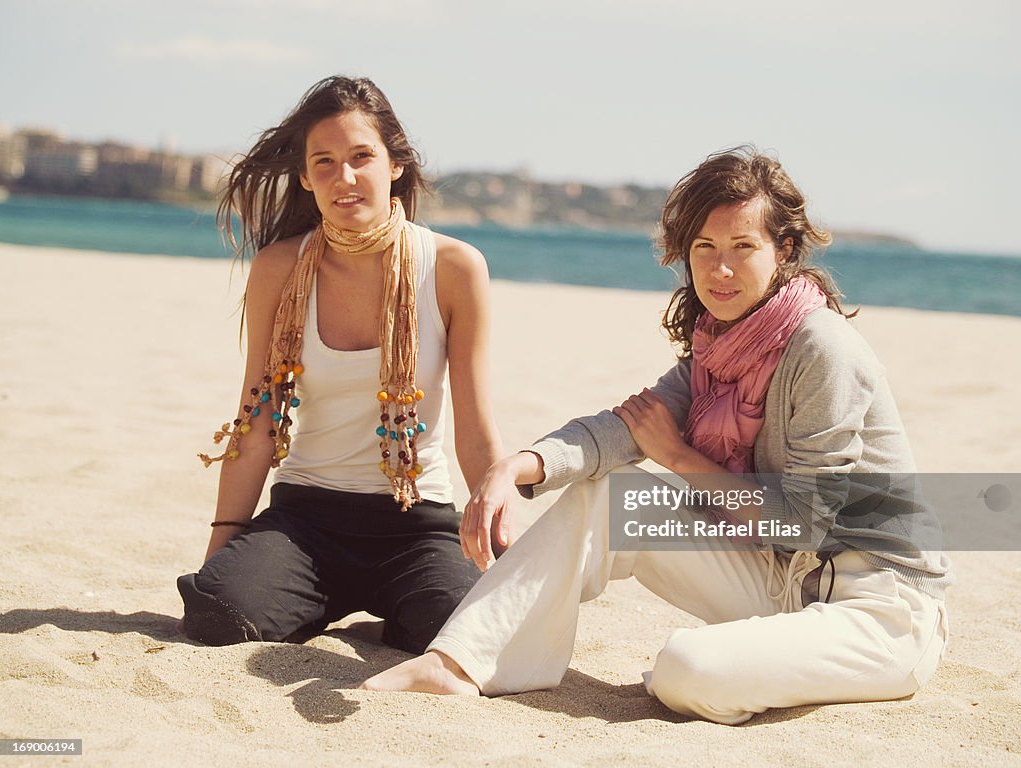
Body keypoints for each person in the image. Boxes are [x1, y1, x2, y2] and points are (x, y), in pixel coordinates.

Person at [361, 147, 953, 724]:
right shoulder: (719, 346)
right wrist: (519, 465)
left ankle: (765, 660)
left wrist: (678, 455)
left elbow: (805, 520)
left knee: (684, 669)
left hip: (879, 606)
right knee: (610, 494)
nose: (720, 269)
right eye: (705, 247)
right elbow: (625, 429)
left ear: (785, 249)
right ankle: (459, 664)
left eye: (743, 247)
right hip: (782, 577)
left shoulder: (822, 348)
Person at [177, 76, 504, 654]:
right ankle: (317, 601)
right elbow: (256, 420)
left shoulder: (454, 267)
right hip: (307, 518)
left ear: (395, 163)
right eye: (323, 162)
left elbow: (476, 428)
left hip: (417, 519)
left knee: (466, 633)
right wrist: (224, 546)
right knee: (218, 613)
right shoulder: (281, 268)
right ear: (305, 177)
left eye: (361, 157)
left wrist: (494, 537)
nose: (344, 178)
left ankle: (396, 612)